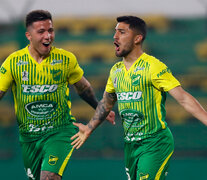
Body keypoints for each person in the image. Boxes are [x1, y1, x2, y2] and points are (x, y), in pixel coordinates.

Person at [71, 16, 207, 180]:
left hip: (154, 143)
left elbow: (183, 98)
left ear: (137, 38)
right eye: (115, 32)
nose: (115, 37)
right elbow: (107, 103)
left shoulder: (153, 66)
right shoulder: (116, 71)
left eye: (121, 32)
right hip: (130, 145)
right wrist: (89, 128)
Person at [0, 10, 115, 180]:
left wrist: (99, 106)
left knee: (49, 177)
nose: (48, 36)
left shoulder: (65, 59)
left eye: (50, 30)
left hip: (59, 132)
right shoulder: (13, 62)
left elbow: (83, 87)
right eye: (41, 32)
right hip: (29, 138)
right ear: (28, 35)